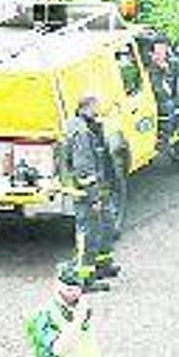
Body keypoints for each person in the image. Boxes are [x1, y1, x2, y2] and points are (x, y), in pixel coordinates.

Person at [63, 93, 121, 285]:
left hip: (100, 188)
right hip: (88, 193)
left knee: (106, 225)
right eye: (96, 105)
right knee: (89, 234)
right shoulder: (81, 132)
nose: (99, 109)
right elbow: (84, 169)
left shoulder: (89, 126)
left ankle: (102, 265)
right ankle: (83, 278)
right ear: (87, 106)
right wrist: (93, 197)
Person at [26, 262, 101, 357]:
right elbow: (58, 349)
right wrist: (79, 318)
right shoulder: (44, 316)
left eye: (77, 289)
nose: (73, 294)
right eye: (68, 288)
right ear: (56, 285)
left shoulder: (74, 311)